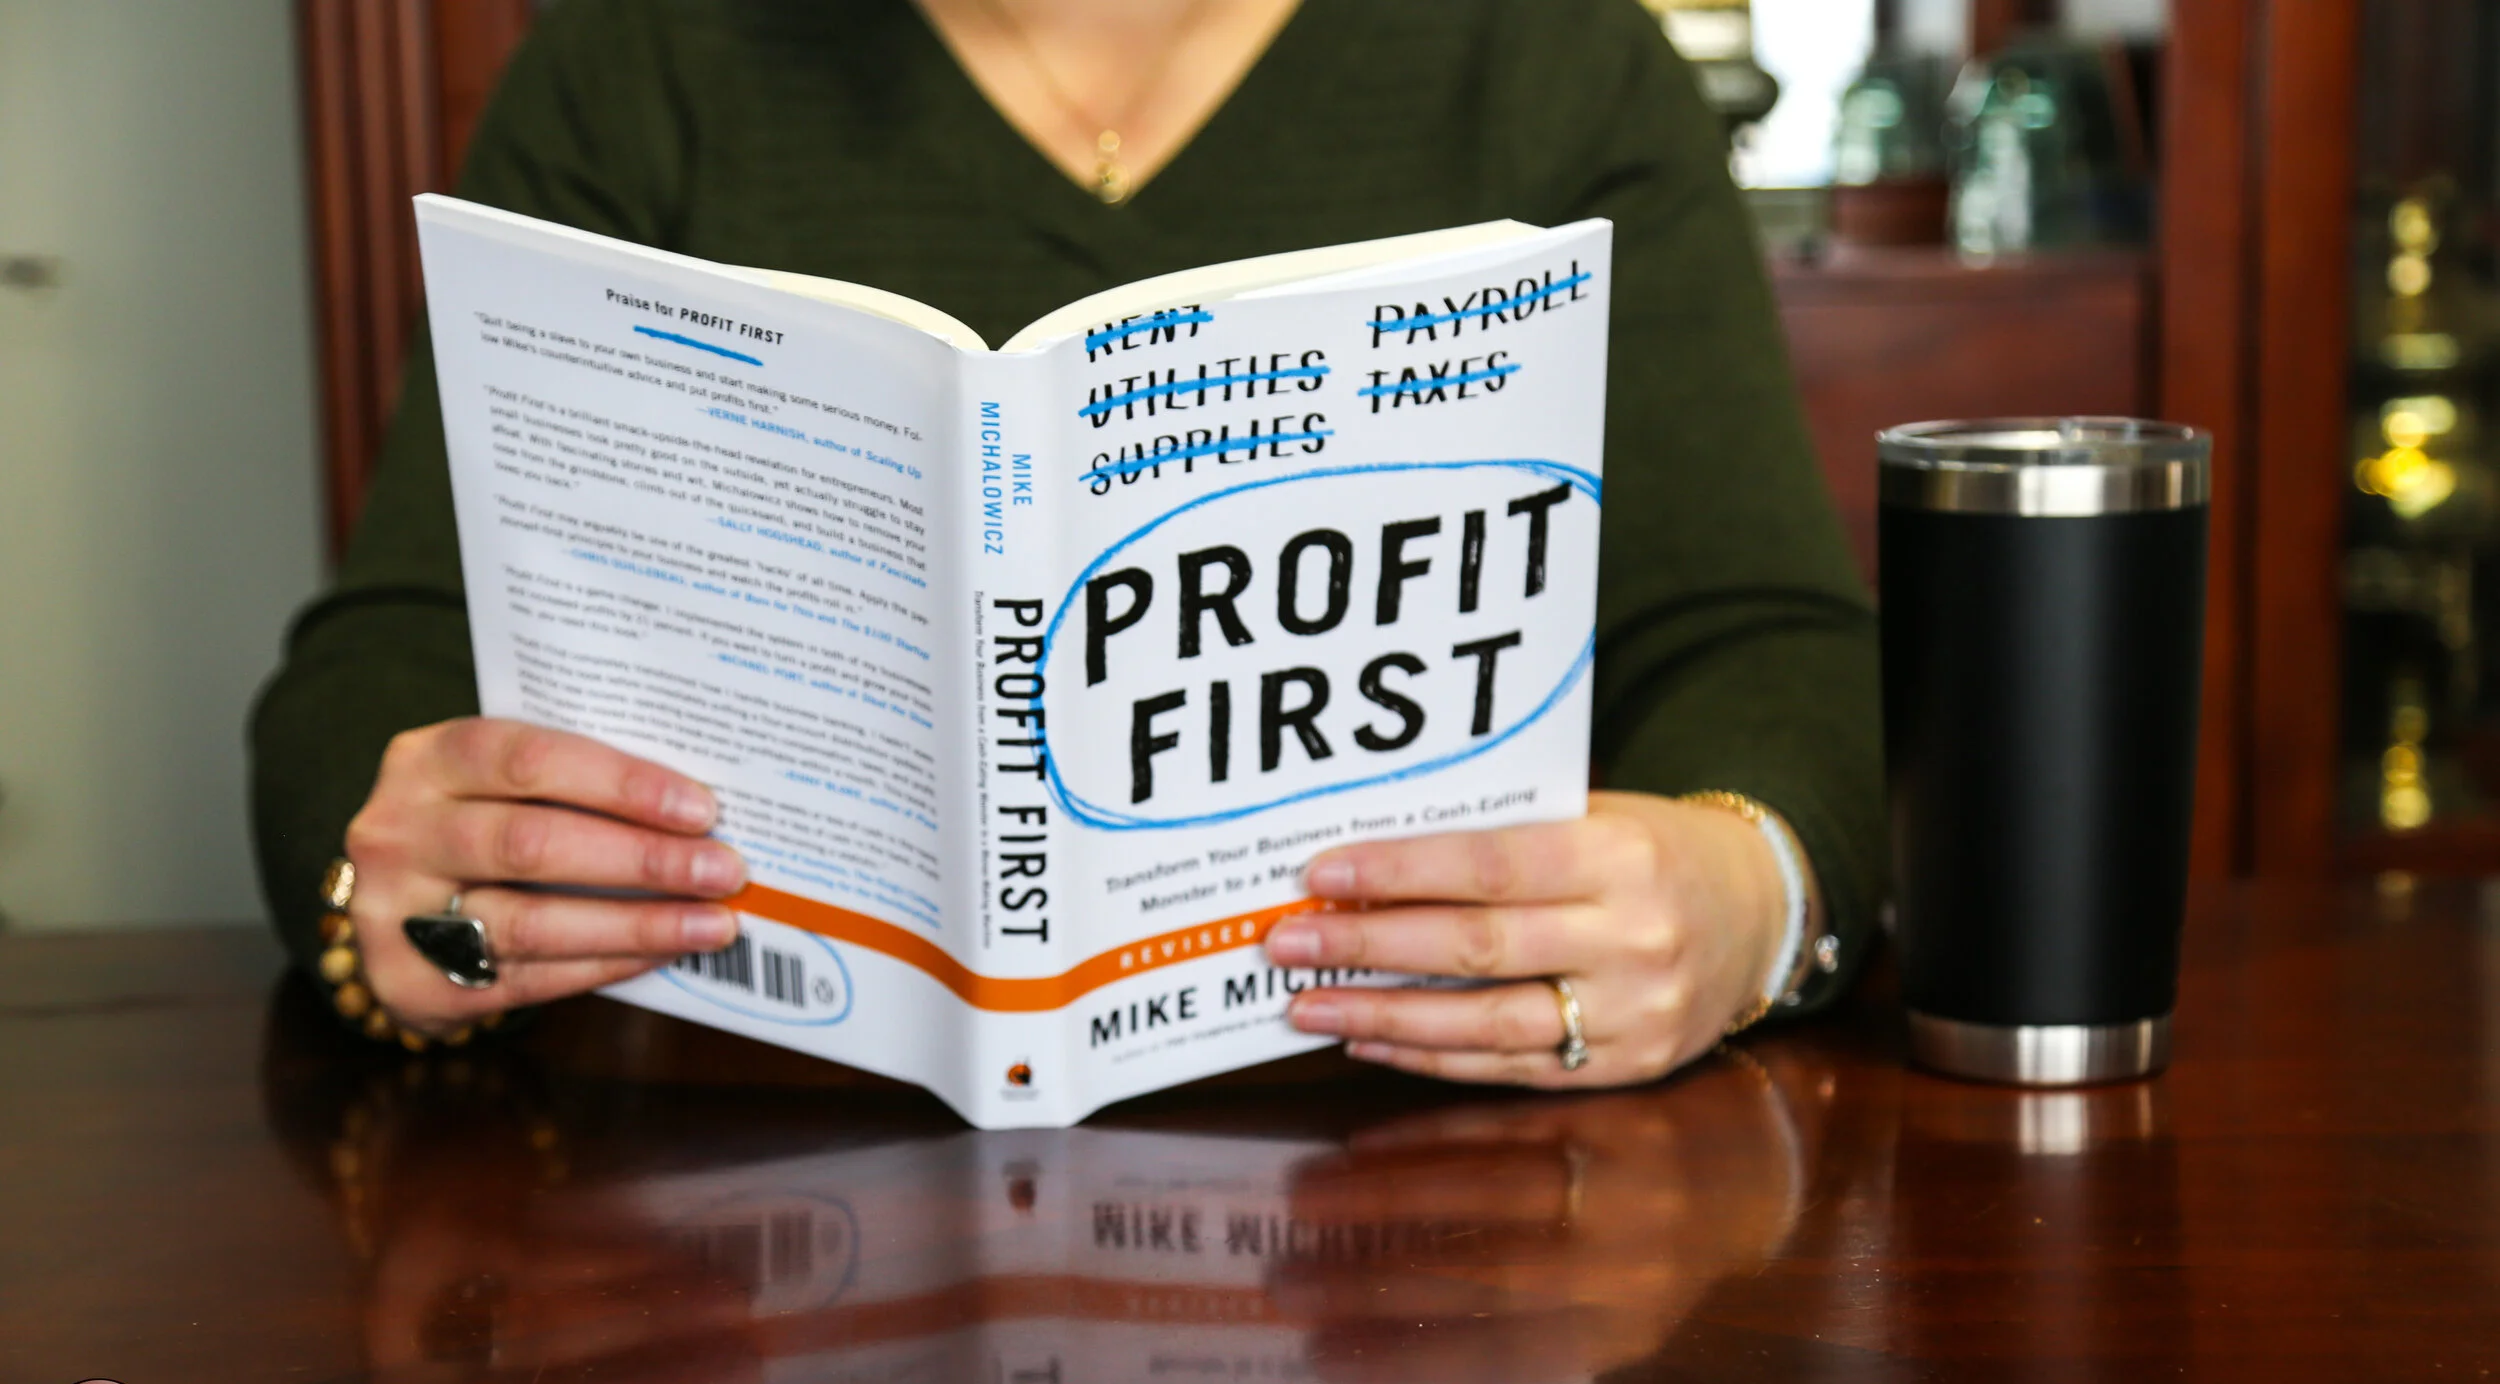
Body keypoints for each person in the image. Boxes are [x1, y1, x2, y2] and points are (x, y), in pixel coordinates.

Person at [252, 0, 1883, 1088]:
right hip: (733, 1165)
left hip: (1438, 1170)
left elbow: (1773, 641)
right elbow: (389, 649)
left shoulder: (1547, 54)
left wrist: (1745, 890)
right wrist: (380, 885)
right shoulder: (645, 57)